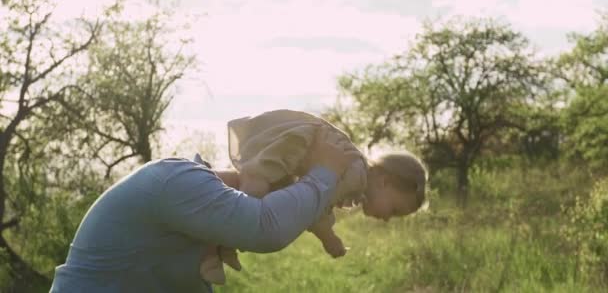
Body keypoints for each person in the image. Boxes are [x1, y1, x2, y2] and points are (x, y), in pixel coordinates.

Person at [50, 126, 360, 292]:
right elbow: (267, 229)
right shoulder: (177, 182)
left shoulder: (200, 221)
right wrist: (325, 172)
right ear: (266, 187)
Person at [199, 109, 428, 285]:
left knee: (257, 195)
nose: (389, 219)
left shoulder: (356, 175)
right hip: (291, 144)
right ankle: (212, 249)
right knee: (252, 194)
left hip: (293, 156)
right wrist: (329, 238)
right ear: (385, 181)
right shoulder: (356, 174)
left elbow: (316, 200)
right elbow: (316, 206)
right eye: (395, 210)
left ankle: (220, 241)